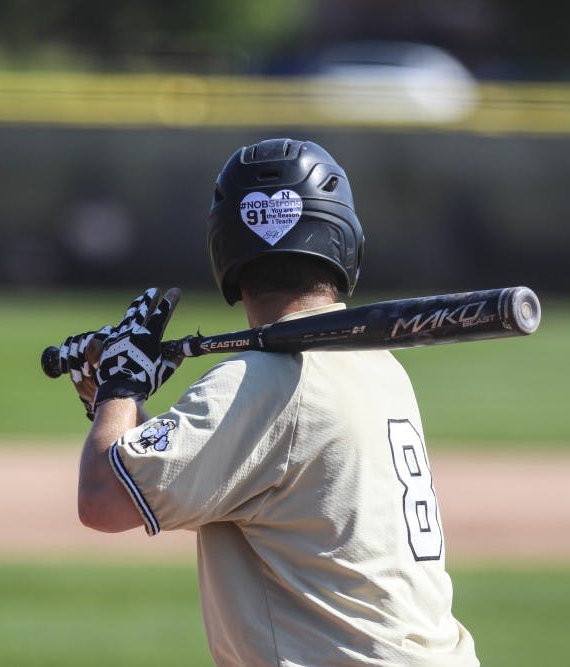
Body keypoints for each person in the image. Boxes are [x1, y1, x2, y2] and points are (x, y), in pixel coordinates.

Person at [64, 138, 478, 666]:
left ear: (226, 248)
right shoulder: (376, 366)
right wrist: (114, 402)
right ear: (344, 239)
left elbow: (102, 499)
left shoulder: (262, 382)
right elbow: (218, 480)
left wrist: (121, 385)